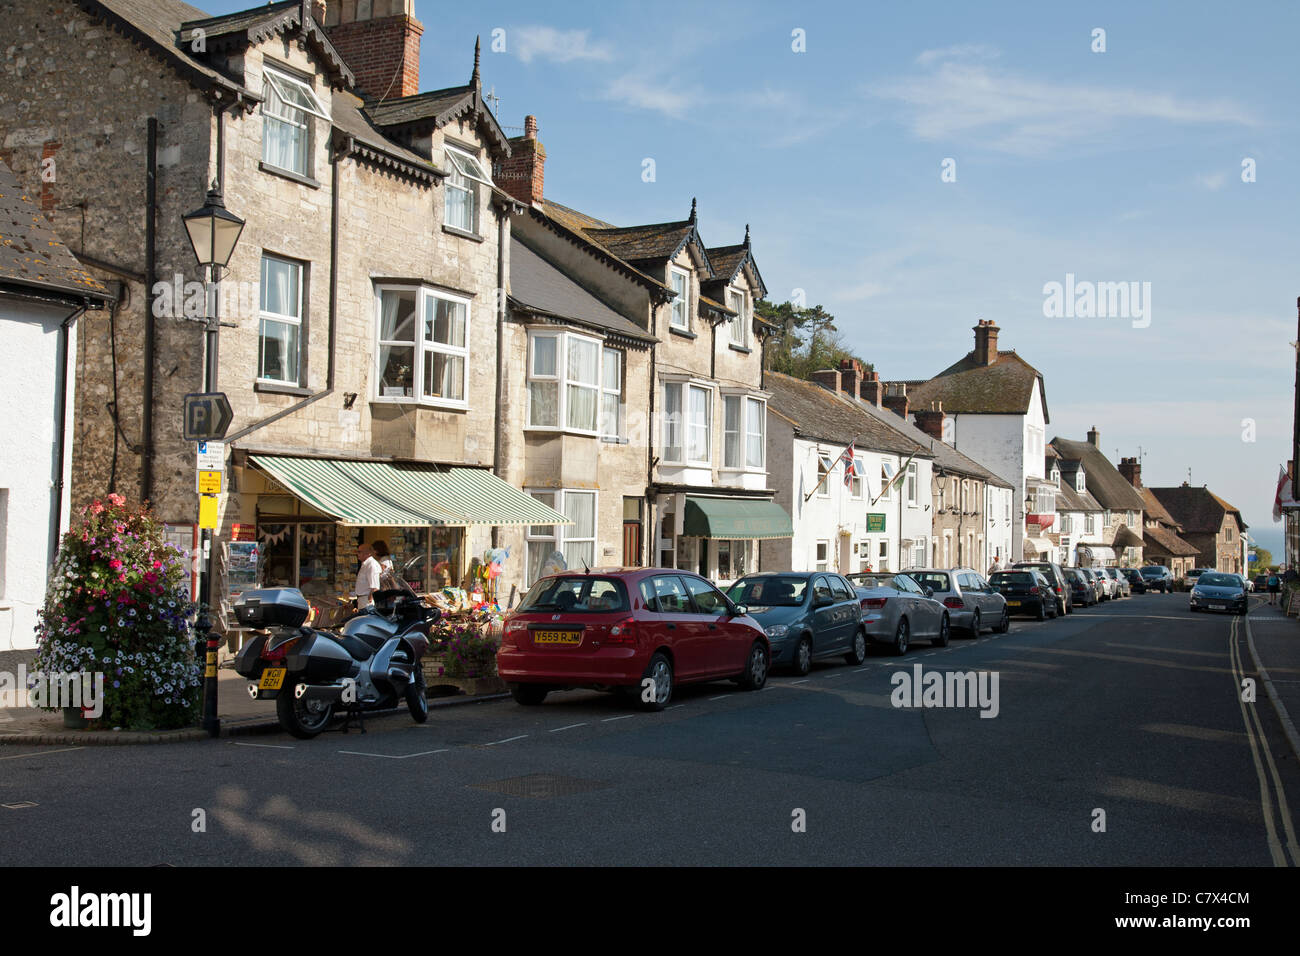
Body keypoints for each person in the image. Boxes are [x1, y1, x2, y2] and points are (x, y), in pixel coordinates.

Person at [353, 542, 381, 608]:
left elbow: (375, 587)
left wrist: (369, 600)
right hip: (362, 599)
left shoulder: (371, 565)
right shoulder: (366, 564)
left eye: (359, 552)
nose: (357, 554)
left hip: (366, 600)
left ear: (368, 553)